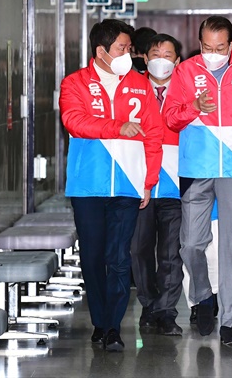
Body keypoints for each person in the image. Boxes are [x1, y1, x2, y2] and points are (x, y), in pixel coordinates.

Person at [162, 15, 232, 347]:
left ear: (231, 45)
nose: (213, 53)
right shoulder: (185, 72)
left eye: (219, 47)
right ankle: (202, 294)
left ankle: (229, 322)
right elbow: (170, 118)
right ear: (199, 43)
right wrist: (193, 107)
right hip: (196, 168)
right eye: (207, 47)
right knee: (191, 244)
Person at [59, 19, 163, 352]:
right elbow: (74, 121)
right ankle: (100, 321)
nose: (127, 54)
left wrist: (150, 180)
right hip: (87, 185)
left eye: (129, 49)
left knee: (119, 257)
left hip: (128, 184)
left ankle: (114, 327)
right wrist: (118, 127)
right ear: (101, 51)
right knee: (92, 257)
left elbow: (154, 134)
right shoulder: (75, 82)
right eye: (122, 48)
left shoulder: (140, 85)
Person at [130, 33, 184, 336]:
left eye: (168, 54)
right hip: (141, 182)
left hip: (176, 182)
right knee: (138, 248)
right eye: (155, 53)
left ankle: (166, 311)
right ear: (145, 58)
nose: (161, 59)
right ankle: (149, 304)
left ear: (177, 60)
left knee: (170, 252)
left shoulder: (187, 89)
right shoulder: (131, 88)